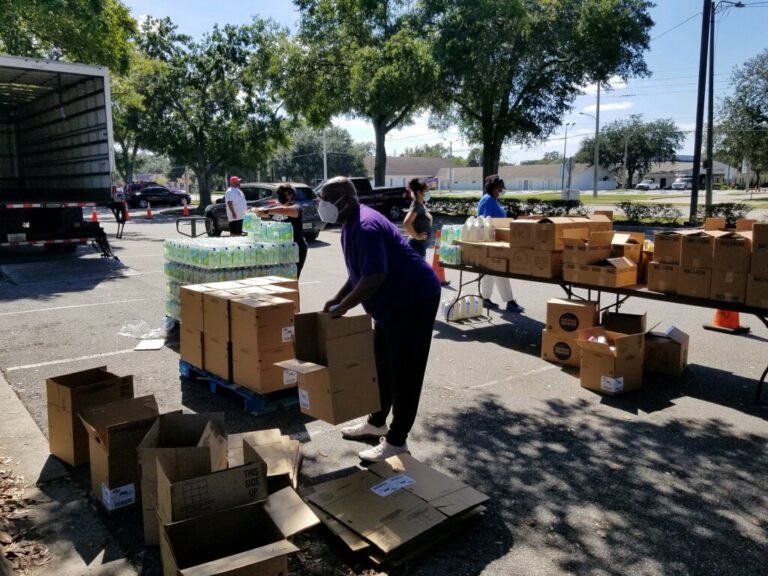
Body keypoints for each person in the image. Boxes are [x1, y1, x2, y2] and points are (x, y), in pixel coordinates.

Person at [319, 176, 441, 463]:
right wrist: (337, 299)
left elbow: (374, 276)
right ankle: (377, 423)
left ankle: (397, 440)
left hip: (413, 300)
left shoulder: (365, 226)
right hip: (390, 304)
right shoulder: (350, 222)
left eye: (325, 199)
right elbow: (358, 273)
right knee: (381, 365)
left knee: (405, 372)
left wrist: (344, 307)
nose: (321, 204)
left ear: (344, 200)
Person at [477, 174, 525, 313]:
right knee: (499, 270)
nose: (500, 192)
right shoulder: (488, 201)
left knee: (489, 271)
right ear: (492, 188)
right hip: (492, 241)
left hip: (493, 241)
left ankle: (485, 298)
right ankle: (509, 301)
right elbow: (485, 222)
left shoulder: (491, 199)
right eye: (498, 189)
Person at [253, 184, 308, 277]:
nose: (280, 196)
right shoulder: (275, 209)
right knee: (282, 278)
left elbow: (284, 210)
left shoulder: (296, 208)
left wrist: (267, 211)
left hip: (296, 247)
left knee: (293, 278)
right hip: (281, 248)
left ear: (290, 195)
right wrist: (254, 211)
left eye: (283, 194)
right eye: (279, 194)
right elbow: (262, 212)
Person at [403, 177, 433, 258]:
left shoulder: (420, 205)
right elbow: (406, 222)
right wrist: (417, 236)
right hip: (417, 246)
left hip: (421, 246)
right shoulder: (416, 206)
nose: (428, 193)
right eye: (426, 191)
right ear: (419, 193)